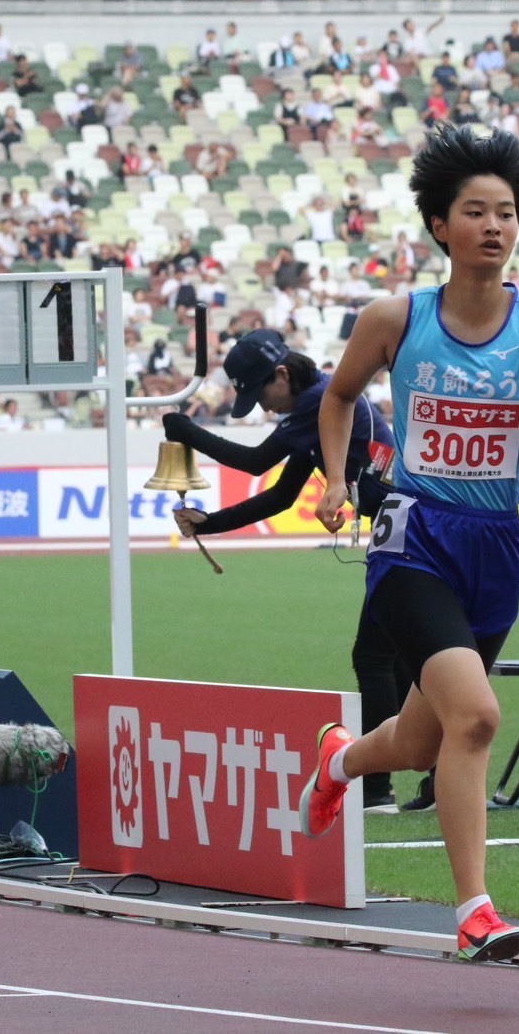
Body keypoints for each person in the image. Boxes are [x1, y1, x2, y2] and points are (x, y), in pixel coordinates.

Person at [300, 125, 519, 962]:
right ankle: (473, 909)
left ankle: (338, 762)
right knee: (475, 717)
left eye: (507, 212)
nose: (494, 226)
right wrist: (335, 477)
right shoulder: (396, 318)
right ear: (440, 225)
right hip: (413, 534)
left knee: (425, 735)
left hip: (497, 545)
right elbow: (338, 399)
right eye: (475, 211)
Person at [162, 329, 406, 812]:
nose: (263, 408)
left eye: (261, 395)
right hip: (400, 524)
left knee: (376, 658)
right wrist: (210, 524)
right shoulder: (317, 407)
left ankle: (378, 790)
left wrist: (185, 430)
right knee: (404, 659)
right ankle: (430, 781)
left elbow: (255, 463)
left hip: (399, 529)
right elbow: (280, 496)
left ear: (282, 374)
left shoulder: (320, 403)